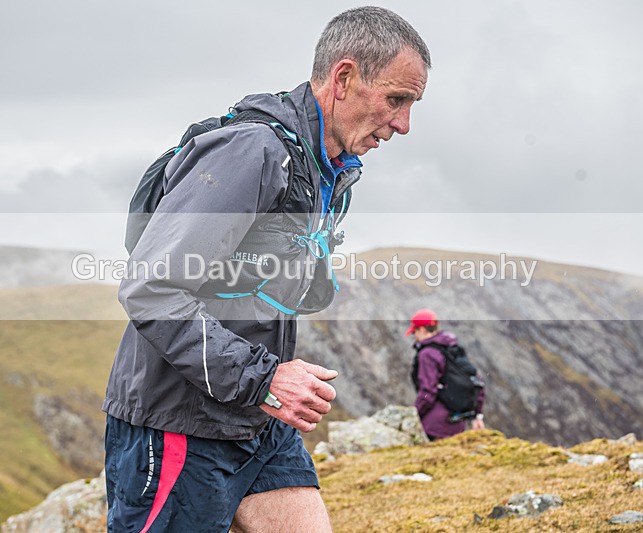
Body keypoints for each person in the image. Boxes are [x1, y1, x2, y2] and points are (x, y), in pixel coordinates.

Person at [103, 7, 430, 532]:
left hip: (256, 419)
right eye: (397, 99)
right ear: (344, 78)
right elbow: (151, 288)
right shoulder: (252, 152)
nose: (404, 124)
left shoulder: (322, 167)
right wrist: (266, 376)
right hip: (179, 425)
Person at [406, 308, 486, 441]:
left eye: (414, 331)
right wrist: (477, 415)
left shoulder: (427, 355)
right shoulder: (451, 347)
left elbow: (428, 391)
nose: (414, 336)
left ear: (422, 330)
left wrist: (412, 414)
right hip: (456, 422)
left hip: (434, 425)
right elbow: (475, 381)